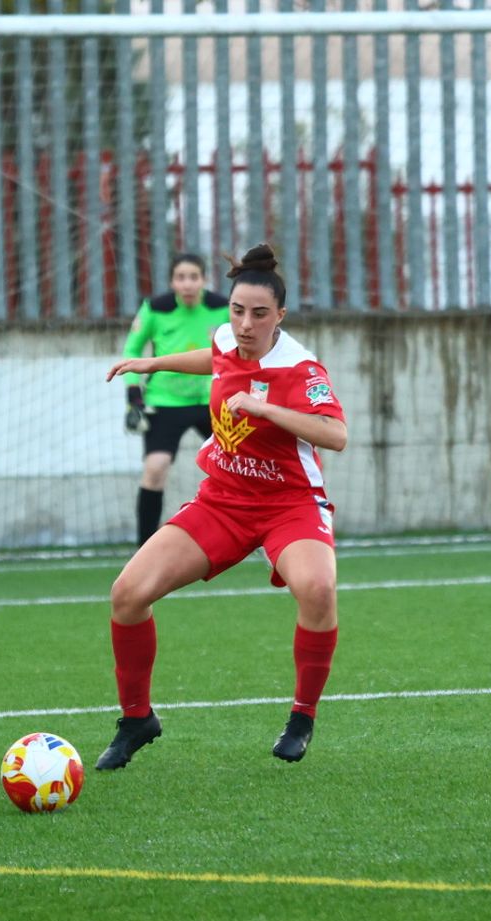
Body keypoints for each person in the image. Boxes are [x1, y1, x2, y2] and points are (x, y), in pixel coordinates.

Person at [97, 244, 346, 770]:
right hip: (223, 502)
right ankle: (136, 719)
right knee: (127, 594)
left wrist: (265, 407)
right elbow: (214, 355)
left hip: (289, 505)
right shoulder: (225, 337)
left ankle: (302, 716)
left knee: (318, 591)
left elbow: (336, 434)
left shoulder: (301, 368)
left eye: (258, 314)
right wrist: (154, 363)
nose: (244, 324)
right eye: (236, 311)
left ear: (280, 315)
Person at [120, 253, 231, 544]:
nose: (188, 284)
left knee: (241, 466)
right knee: (155, 469)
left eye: (194, 277)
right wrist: (134, 394)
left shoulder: (223, 308)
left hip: (213, 401)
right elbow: (132, 349)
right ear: (172, 281)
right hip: (165, 400)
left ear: (204, 280)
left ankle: (256, 535)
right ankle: (145, 547)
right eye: (181, 278)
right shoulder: (156, 309)